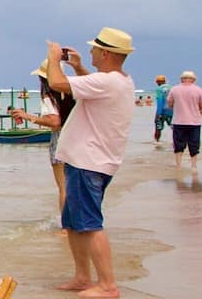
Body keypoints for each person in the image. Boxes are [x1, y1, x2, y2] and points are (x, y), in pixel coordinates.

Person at [45, 28, 135, 298]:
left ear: (105, 53)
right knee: (73, 224)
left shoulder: (108, 82)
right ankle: (83, 277)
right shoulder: (118, 80)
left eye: (95, 48)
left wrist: (52, 59)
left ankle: (108, 285)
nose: (92, 51)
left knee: (90, 224)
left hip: (89, 162)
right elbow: (90, 87)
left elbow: (57, 84)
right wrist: (79, 67)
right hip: (87, 161)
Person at [12, 59, 72, 232]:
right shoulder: (70, 93)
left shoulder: (49, 96)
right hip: (76, 138)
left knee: (63, 188)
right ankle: (78, 223)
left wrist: (28, 116)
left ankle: (66, 227)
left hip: (60, 140)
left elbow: (54, 121)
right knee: (74, 186)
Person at [167, 71, 202, 169]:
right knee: (194, 144)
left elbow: (170, 104)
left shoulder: (174, 89)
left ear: (181, 79)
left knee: (178, 144)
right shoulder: (198, 90)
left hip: (178, 121)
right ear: (194, 79)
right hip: (194, 122)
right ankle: (194, 166)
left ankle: (178, 165)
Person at [152, 75, 172, 143]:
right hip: (172, 112)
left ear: (157, 82)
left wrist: (158, 114)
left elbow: (160, 102)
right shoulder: (172, 88)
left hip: (162, 112)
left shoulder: (159, 89)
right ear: (165, 81)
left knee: (158, 128)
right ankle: (179, 142)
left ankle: (156, 142)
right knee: (175, 129)